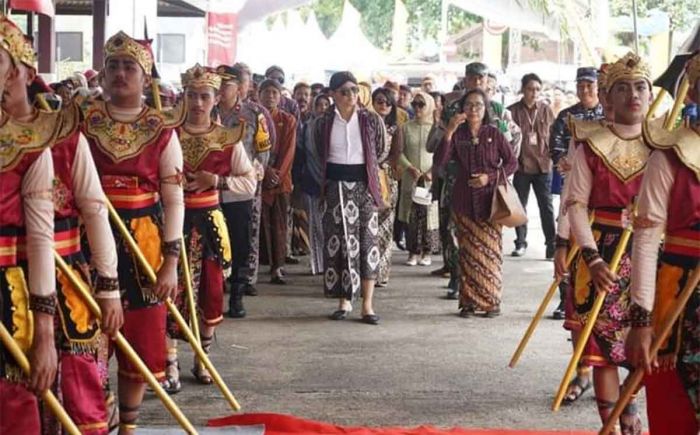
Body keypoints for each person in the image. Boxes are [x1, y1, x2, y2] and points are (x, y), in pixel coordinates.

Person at [1, 19, 122, 433]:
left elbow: (94, 210)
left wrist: (109, 287)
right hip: (12, 278)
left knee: (76, 387)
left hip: (64, 275)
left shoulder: (67, 138)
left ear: (23, 73)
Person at [80, 31, 185, 434]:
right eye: (114, 66)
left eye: (130, 67)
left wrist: (171, 262)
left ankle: (128, 426)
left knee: (139, 333)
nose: (121, 74)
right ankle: (93, 416)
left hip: (145, 239)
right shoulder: (81, 123)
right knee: (88, 332)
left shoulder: (162, 129)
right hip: (90, 236)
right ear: (103, 75)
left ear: (146, 78)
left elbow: (173, 198)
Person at [564, 52, 652, 433]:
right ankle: (611, 424)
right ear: (607, 96)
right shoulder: (591, 144)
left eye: (640, 86)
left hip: (649, 257)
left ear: (650, 95)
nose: (633, 95)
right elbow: (575, 204)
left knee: (641, 343)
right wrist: (592, 258)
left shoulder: (666, 147)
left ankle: (630, 414)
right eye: (622, 88)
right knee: (601, 350)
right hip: (599, 255)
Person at [625, 53, 700, 435]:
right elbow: (646, 237)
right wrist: (640, 319)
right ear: (694, 93)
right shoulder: (669, 156)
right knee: (675, 412)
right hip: (677, 297)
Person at [171, 64, 256, 388]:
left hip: (209, 222)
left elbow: (250, 183)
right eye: (191, 95)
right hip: (173, 222)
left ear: (215, 98)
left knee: (210, 289)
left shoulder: (226, 139)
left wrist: (216, 180)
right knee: (172, 291)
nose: (197, 103)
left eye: (204, 96)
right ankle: (170, 362)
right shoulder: (169, 135)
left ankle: (201, 357)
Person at [0, 15, 57, 434]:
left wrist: (45, 334)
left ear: (14, 74)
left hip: (6, 294)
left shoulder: (32, 145)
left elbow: (40, 239)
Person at [313, 71, 387, 325]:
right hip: (335, 187)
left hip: (364, 186)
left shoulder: (370, 119)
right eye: (344, 91)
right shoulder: (323, 122)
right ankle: (344, 300)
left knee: (367, 243)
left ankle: (367, 305)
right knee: (340, 241)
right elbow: (317, 151)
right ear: (332, 94)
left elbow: (381, 149)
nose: (350, 96)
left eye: (354, 90)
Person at [436, 88, 517, 317]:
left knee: (490, 254)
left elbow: (512, 163)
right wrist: (449, 131)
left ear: (485, 109)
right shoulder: (458, 134)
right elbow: (440, 161)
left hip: (490, 203)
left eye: (478, 105)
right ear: (463, 108)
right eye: (469, 105)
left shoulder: (494, 132)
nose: (473, 109)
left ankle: (492, 302)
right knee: (467, 256)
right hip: (463, 201)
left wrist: (488, 177)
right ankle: (469, 303)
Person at [214, 64, 271, 317]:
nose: (221, 89)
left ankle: (237, 295)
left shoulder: (254, 113)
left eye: (226, 84)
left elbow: (263, 150)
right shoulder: (207, 110)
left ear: (238, 87)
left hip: (240, 188)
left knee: (241, 242)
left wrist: (254, 179)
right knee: (211, 243)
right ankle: (213, 293)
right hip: (209, 187)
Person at [507, 73, 556, 258]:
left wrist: (554, 158)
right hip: (522, 167)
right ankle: (520, 243)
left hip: (543, 166)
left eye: (537, 89)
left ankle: (551, 245)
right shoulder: (511, 111)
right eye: (530, 89)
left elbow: (552, 136)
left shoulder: (546, 110)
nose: (534, 93)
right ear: (523, 89)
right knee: (520, 206)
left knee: (547, 207)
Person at [259, 79, 297, 284]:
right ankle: (257, 265)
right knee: (260, 225)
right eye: (267, 92)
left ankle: (278, 267)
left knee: (280, 225)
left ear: (280, 96)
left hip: (281, 181)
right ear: (259, 94)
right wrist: (264, 171)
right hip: (258, 178)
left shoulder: (288, 119)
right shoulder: (252, 118)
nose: (270, 96)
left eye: (275, 92)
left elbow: (289, 151)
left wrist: (276, 175)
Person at [398, 91, 439, 267]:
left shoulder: (436, 129)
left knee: (429, 215)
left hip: (430, 178)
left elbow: (441, 153)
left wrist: (432, 170)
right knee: (412, 215)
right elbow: (398, 152)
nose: (417, 108)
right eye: (414, 104)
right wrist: (409, 167)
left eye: (421, 104)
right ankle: (413, 251)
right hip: (412, 177)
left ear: (429, 106)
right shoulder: (406, 127)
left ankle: (427, 251)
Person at [371, 87, 404, 287]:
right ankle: (367, 271)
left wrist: (380, 165)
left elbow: (396, 153)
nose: (383, 105)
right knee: (368, 226)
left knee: (384, 226)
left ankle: (381, 272)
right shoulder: (366, 125)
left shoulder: (395, 128)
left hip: (386, 179)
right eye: (380, 101)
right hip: (366, 178)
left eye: (387, 102)